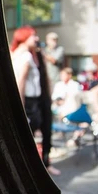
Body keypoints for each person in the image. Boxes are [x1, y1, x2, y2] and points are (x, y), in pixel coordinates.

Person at [36, 37, 61, 175]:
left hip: (47, 93)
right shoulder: (27, 56)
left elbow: (53, 62)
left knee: (47, 130)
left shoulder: (56, 51)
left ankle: (46, 162)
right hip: (34, 98)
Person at [10, 26, 42, 134]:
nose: (36, 39)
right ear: (24, 38)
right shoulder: (26, 56)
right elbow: (21, 81)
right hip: (28, 102)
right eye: (33, 36)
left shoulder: (15, 54)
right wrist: (21, 104)